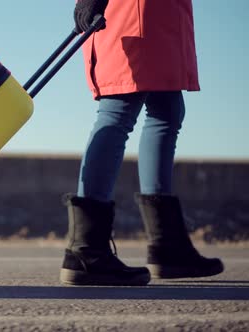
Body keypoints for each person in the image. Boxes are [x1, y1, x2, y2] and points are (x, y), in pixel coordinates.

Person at [60, 0, 224, 286]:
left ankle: (167, 247)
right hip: (133, 11)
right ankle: (86, 251)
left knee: (167, 110)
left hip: (162, 15)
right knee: (119, 107)